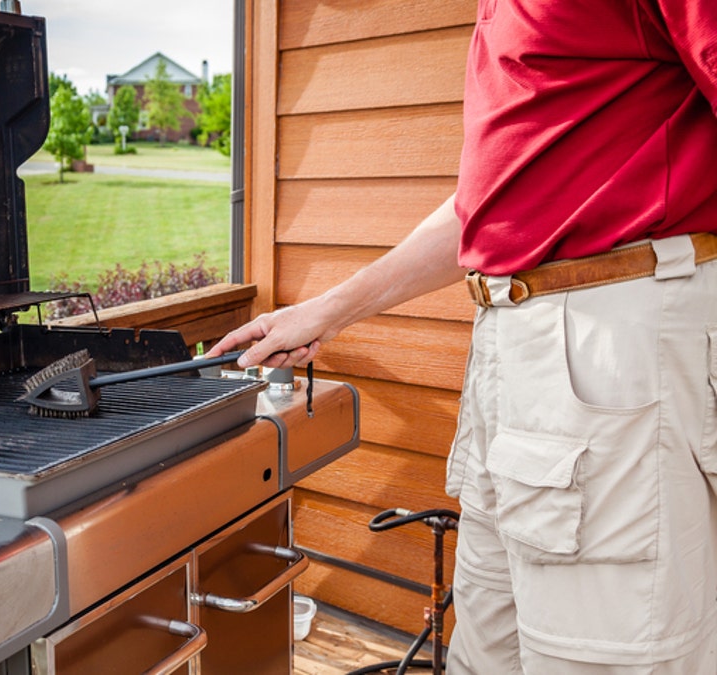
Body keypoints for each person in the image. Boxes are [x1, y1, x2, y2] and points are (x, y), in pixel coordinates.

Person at [207, 1, 717, 672]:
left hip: (607, 345)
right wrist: (327, 310)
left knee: (602, 656)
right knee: (485, 649)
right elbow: (489, 209)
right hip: (510, 346)